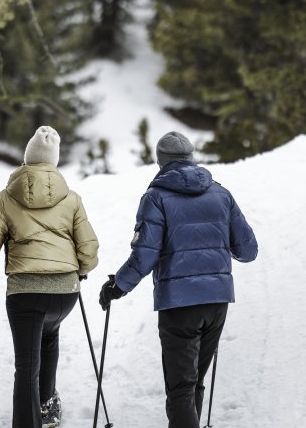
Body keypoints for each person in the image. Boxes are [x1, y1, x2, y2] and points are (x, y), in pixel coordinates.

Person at [98, 131, 258, 428]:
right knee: (194, 382)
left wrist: (117, 286)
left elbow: (145, 255)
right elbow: (248, 250)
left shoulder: (155, 198)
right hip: (217, 302)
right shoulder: (221, 194)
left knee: (181, 389)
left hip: (179, 305)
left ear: (161, 162)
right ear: (191, 158)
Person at [0, 126, 99, 428]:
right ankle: (46, 407)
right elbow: (90, 250)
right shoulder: (72, 199)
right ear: (54, 161)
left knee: (26, 365)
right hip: (65, 294)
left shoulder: (6, 198)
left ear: (27, 158)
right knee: (50, 334)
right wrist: (80, 269)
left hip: (26, 293)